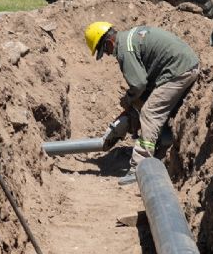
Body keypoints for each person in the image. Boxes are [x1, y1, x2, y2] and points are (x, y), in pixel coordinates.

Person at [84, 21, 199, 186]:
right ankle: (162, 140)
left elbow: (138, 84)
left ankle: (139, 165)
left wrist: (128, 99)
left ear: (109, 42)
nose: (108, 54)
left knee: (149, 112)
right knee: (145, 103)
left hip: (179, 70)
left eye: (106, 51)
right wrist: (133, 104)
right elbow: (143, 84)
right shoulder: (128, 38)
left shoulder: (124, 50)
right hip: (183, 64)